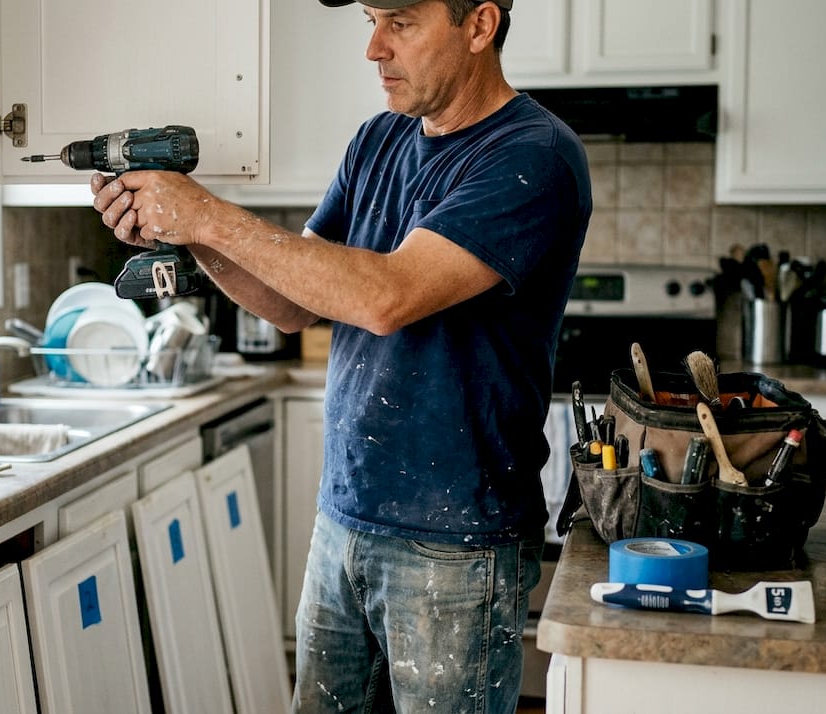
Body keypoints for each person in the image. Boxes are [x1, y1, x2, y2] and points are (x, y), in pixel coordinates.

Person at [91, 0, 591, 710]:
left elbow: (387, 298)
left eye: (402, 21)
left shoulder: (533, 155)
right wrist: (187, 234)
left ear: (479, 26)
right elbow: (295, 303)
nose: (374, 49)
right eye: (370, 21)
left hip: (455, 542)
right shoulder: (378, 141)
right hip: (346, 517)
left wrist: (205, 213)